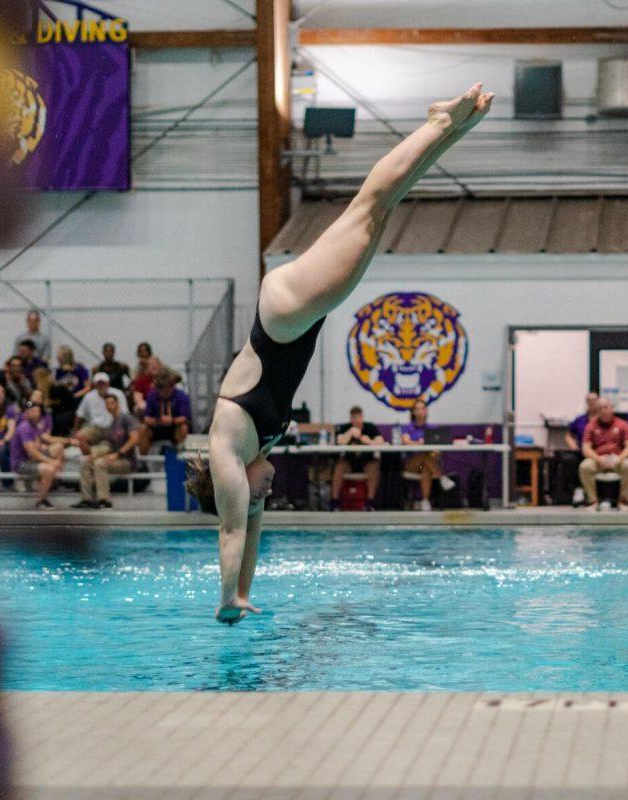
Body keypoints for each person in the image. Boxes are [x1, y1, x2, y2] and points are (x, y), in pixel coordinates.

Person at [183, 82, 494, 624]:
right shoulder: (250, 462)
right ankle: (452, 131)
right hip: (297, 315)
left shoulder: (227, 453)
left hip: (284, 314)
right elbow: (252, 524)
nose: (268, 489)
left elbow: (232, 527)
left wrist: (226, 598)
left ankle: (439, 123)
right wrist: (245, 594)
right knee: (380, 211)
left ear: (228, 487)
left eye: (256, 492)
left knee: (367, 208)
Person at [73, 393, 141, 510]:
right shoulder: (113, 423)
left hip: (127, 460)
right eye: (107, 404)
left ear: (117, 403)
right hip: (115, 457)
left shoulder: (126, 418)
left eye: (111, 403)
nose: (109, 406)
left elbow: (135, 439)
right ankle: (86, 499)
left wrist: (117, 454)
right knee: (86, 462)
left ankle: (104, 500)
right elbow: (110, 445)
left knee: (100, 463)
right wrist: (94, 455)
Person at [579, 397, 628, 511]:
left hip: (617, 459)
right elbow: (586, 448)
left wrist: (619, 458)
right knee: (584, 466)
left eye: (605, 407)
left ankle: (623, 500)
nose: (603, 411)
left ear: (611, 408)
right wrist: (598, 459)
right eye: (600, 408)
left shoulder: (622, 424)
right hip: (598, 459)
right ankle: (593, 501)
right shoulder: (591, 425)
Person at [10, 400, 66, 510]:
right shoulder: (24, 427)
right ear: (26, 413)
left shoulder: (35, 425)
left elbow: (39, 446)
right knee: (49, 469)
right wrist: (52, 462)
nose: (35, 413)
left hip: (31, 458)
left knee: (58, 446)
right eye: (32, 411)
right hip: (21, 463)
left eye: (37, 411)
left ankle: (52, 480)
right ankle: (41, 501)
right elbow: (32, 452)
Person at [401, 398, 454, 511]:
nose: (420, 411)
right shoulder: (407, 427)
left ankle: (425, 501)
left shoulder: (433, 428)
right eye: (417, 409)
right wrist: (418, 443)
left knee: (426, 466)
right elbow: (406, 442)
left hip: (425, 465)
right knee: (423, 455)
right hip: (413, 465)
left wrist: (433, 451)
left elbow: (439, 448)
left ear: (426, 411)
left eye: (423, 408)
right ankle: (442, 477)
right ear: (413, 412)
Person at [331, 406, 385, 509]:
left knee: (375, 466)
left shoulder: (369, 427)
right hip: (350, 462)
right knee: (339, 466)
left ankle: (370, 502)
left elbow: (380, 441)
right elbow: (339, 441)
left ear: (362, 417)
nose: (356, 420)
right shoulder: (345, 428)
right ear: (350, 419)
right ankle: (335, 502)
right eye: (354, 417)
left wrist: (368, 441)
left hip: (366, 462)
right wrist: (350, 432)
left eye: (358, 417)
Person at [74, 372, 130, 451]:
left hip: (113, 427)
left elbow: (125, 414)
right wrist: (75, 432)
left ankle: (97, 453)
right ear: (95, 385)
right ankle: (89, 454)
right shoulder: (89, 396)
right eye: (98, 384)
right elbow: (79, 415)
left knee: (109, 445)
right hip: (96, 428)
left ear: (108, 383)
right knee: (80, 436)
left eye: (103, 383)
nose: (101, 386)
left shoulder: (118, 394)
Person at [140, 374, 191, 453]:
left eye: (166, 391)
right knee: (143, 428)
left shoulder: (181, 396)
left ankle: (181, 453)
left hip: (174, 427)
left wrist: (172, 420)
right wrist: (158, 421)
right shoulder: (152, 395)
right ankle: (143, 459)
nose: (163, 394)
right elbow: (146, 417)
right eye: (160, 391)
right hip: (156, 426)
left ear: (172, 387)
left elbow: (184, 417)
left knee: (184, 427)